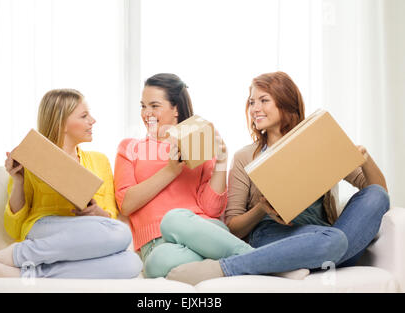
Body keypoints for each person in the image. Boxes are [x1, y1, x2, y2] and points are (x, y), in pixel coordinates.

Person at [166, 71, 390, 285]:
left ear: (285, 102)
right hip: (273, 234)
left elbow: (379, 191)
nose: (255, 109)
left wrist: (364, 158)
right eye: (252, 102)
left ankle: (289, 262)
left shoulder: (317, 142)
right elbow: (233, 226)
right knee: (335, 241)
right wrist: (262, 208)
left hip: (322, 236)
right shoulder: (245, 157)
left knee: (375, 196)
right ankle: (229, 268)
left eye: (263, 100)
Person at [0, 89, 142, 279]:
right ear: (62, 123)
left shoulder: (100, 161)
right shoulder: (33, 158)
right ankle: (19, 254)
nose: (93, 121)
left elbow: (109, 219)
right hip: (45, 227)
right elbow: (14, 227)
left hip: (86, 230)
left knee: (132, 263)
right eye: (84, 116)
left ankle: (35, 272)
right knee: (122, 233)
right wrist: (19, 180)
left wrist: (96, 212)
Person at [114, 73, 256, 279]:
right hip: (157, 244)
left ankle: (252, 258)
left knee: (174, 218)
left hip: (204, 229)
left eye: (154, 106)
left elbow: (212, 209)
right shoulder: (130, 147)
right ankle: (251, 259)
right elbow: (126, 204)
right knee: (155, 264)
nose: (146, 113)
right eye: (143, 106)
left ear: (176, 109)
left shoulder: (196, 144)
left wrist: (221, 162)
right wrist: (171, 170)